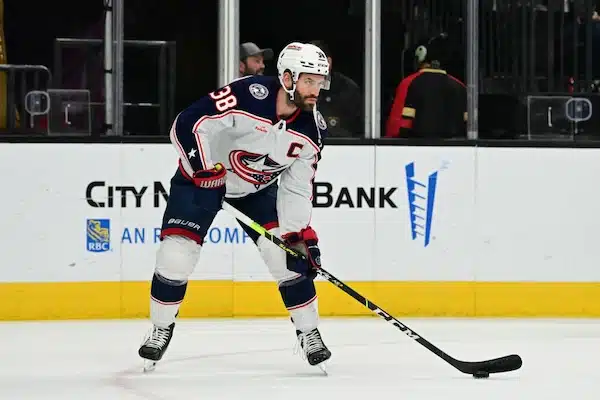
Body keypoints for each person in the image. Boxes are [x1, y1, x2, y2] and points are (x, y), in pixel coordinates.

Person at [138, 42, 332, 371]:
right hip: (200, 181)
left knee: (287, 259)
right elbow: (188, 122)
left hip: (256, 192)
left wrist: (297, 234)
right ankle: (161, 327)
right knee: (175, 256)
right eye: (308, 81)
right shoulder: (247, 95)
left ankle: (309, 332)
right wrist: (203, 170)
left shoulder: (313, 130)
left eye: (320, 82)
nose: (316, 90)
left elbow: (297, 188)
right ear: (287, 78)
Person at [384, 34, 467, 138]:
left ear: (421, 55)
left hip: (418, 146)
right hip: (456, 147)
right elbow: (467, 127)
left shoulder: (409, 83)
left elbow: (396, 127)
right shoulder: (460, 86)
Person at [308, 40, 362, 138]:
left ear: (328, 62)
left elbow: (355, 130)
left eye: (312, 62)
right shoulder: (296, 87)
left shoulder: (348, 89)